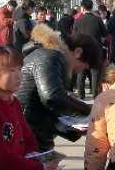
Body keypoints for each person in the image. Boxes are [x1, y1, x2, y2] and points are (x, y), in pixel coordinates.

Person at [18, 23, 103, 151]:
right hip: (29, 133)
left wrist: (72, 128)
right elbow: (52, 96)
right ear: (78, 52)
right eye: (84, 66)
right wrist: (87, 110)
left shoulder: (48, 56)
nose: (80, 71)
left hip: (33, 131)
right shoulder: (51, 56)